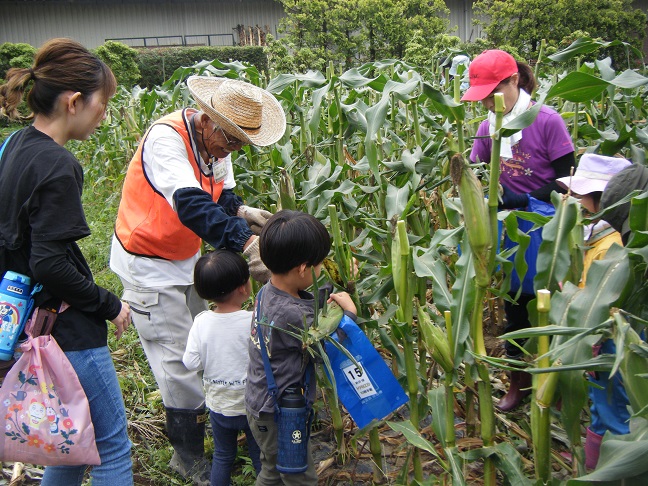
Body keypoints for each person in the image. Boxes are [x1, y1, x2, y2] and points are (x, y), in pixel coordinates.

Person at [109, 75, 286, 484]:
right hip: (149, 261)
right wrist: (244, 244)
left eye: (241, 144)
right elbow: (190, 203)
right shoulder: (167, 140)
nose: (232, 150)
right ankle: (186, 456)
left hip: (184, 255)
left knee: (198, 339)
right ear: (207, 119)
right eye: (231, 140)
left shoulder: (218, 143)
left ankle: (219, 423)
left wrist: (242, 213)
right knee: (177, 361)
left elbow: (219, 194)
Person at [0, 38, 133, 485]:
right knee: (110, 443)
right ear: (74, 101)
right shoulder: (58, 165)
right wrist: (109, 304)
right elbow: (50, 264)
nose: (104, 114)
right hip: (65, 328)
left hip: (26, 322)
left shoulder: (15, 145)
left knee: (72, 443)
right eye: (103, 103)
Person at [462, 49, 576, 411]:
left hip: (544, 225)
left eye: (493, 92)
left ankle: (556, 382)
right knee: (514, 307)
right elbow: (477, 173)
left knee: (548, 306)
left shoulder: (546, 120)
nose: (486, 105)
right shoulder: (486, 128)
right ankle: (519, 384)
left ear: (513, 81)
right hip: (505, 228)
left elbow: (568, 180)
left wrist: (525, 197)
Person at [245, 210, 357, 485]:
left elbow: (308, 298)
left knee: (272, 468)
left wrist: (337, 283)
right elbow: (328, 348)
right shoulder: (292, 315)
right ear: (303, 268)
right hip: (279, 412)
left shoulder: (269, 291)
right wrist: (350, 314)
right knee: (299, 474)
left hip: (259, 402)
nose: (323, 270)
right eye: (321, 265)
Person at [556, 154, 633, 469]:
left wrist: (576, 298)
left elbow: (605, 295)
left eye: (581, 193)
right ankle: (595, 456)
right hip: (597, 331)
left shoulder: (613, 244)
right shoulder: (595, 230)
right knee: (601, 400)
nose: (574, 197)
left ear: (604, 198)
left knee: (613, 403)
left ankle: (615, 465)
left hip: (607, 339)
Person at [182, 250, 262, 485]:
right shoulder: (252, 320)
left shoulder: (201, 322)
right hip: (252, 406)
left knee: (223, 455)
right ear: (243, 288)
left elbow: (191, 362)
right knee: (260, 454)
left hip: (220, 405)